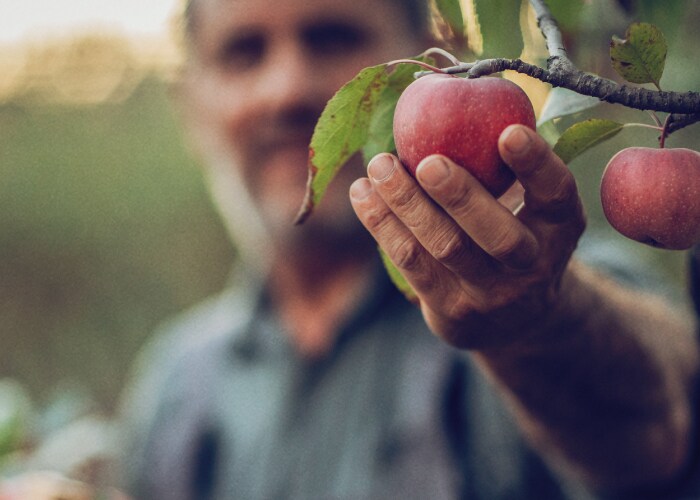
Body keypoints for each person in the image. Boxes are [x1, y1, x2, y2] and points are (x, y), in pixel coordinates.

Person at [118, 0, 700, 498]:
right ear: (190, 106)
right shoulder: (175, 384)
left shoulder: (548, 273)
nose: (287, 89)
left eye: (332, 38)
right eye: (244, 52)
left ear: (430, 61)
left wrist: (541, 324)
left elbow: (664, 426)